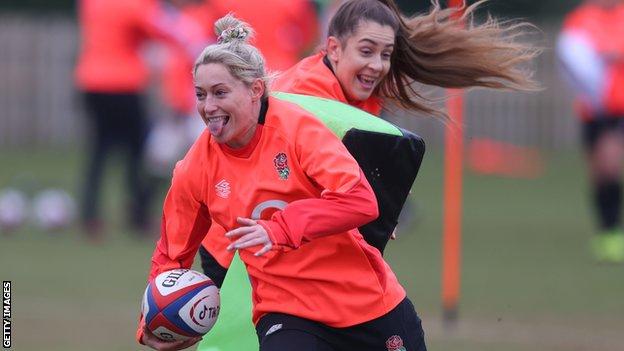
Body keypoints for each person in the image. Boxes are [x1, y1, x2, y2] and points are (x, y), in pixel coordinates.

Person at [138, 14, 427, 351]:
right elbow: (172, 253)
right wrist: (154, 321)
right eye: (200, 95)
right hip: (286, 312)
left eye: (220, 93)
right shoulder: (195, 165)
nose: (208, 107)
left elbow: (360, 200)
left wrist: (278, 229)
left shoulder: (298, 130)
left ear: (255, 90)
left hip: (366, 303)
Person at [74, 0, 196, 240]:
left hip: (90, 80)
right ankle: (137, 215)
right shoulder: (135, 4)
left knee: (99, 149)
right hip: (123, 84)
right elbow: (163, 30)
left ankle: (89, 215)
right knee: (136, 151)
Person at [558, 0, 624, 263]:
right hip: (592, 110)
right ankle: (606, 230)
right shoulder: (580, 19)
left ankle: (614, 233)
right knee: (598, 174)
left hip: (617, 108)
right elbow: (572, 59)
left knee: (610, 165)